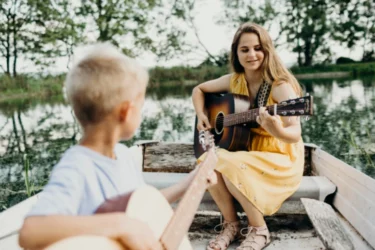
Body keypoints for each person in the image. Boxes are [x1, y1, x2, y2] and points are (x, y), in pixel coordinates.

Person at [19, 43, 215, 250]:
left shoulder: (122, 155)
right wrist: (119, 224)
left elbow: (144, 207)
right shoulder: (78, 165)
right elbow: (30, 231)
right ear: (126, 111)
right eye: (141, 105)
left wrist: (192, 182)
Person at [192, 22, 304, 250]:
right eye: (245, 50)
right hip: (247, 151)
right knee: (207, 162)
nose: (252, 54)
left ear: (267, 50)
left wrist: (277, 130)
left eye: (258, 48)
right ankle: (232, 225)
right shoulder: (235, 80)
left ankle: (259, 229)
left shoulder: (279, 86)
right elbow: (198, 90)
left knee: (229, 164)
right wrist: (202, 115)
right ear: (236, 53)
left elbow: (295, 134)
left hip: (279, 156)